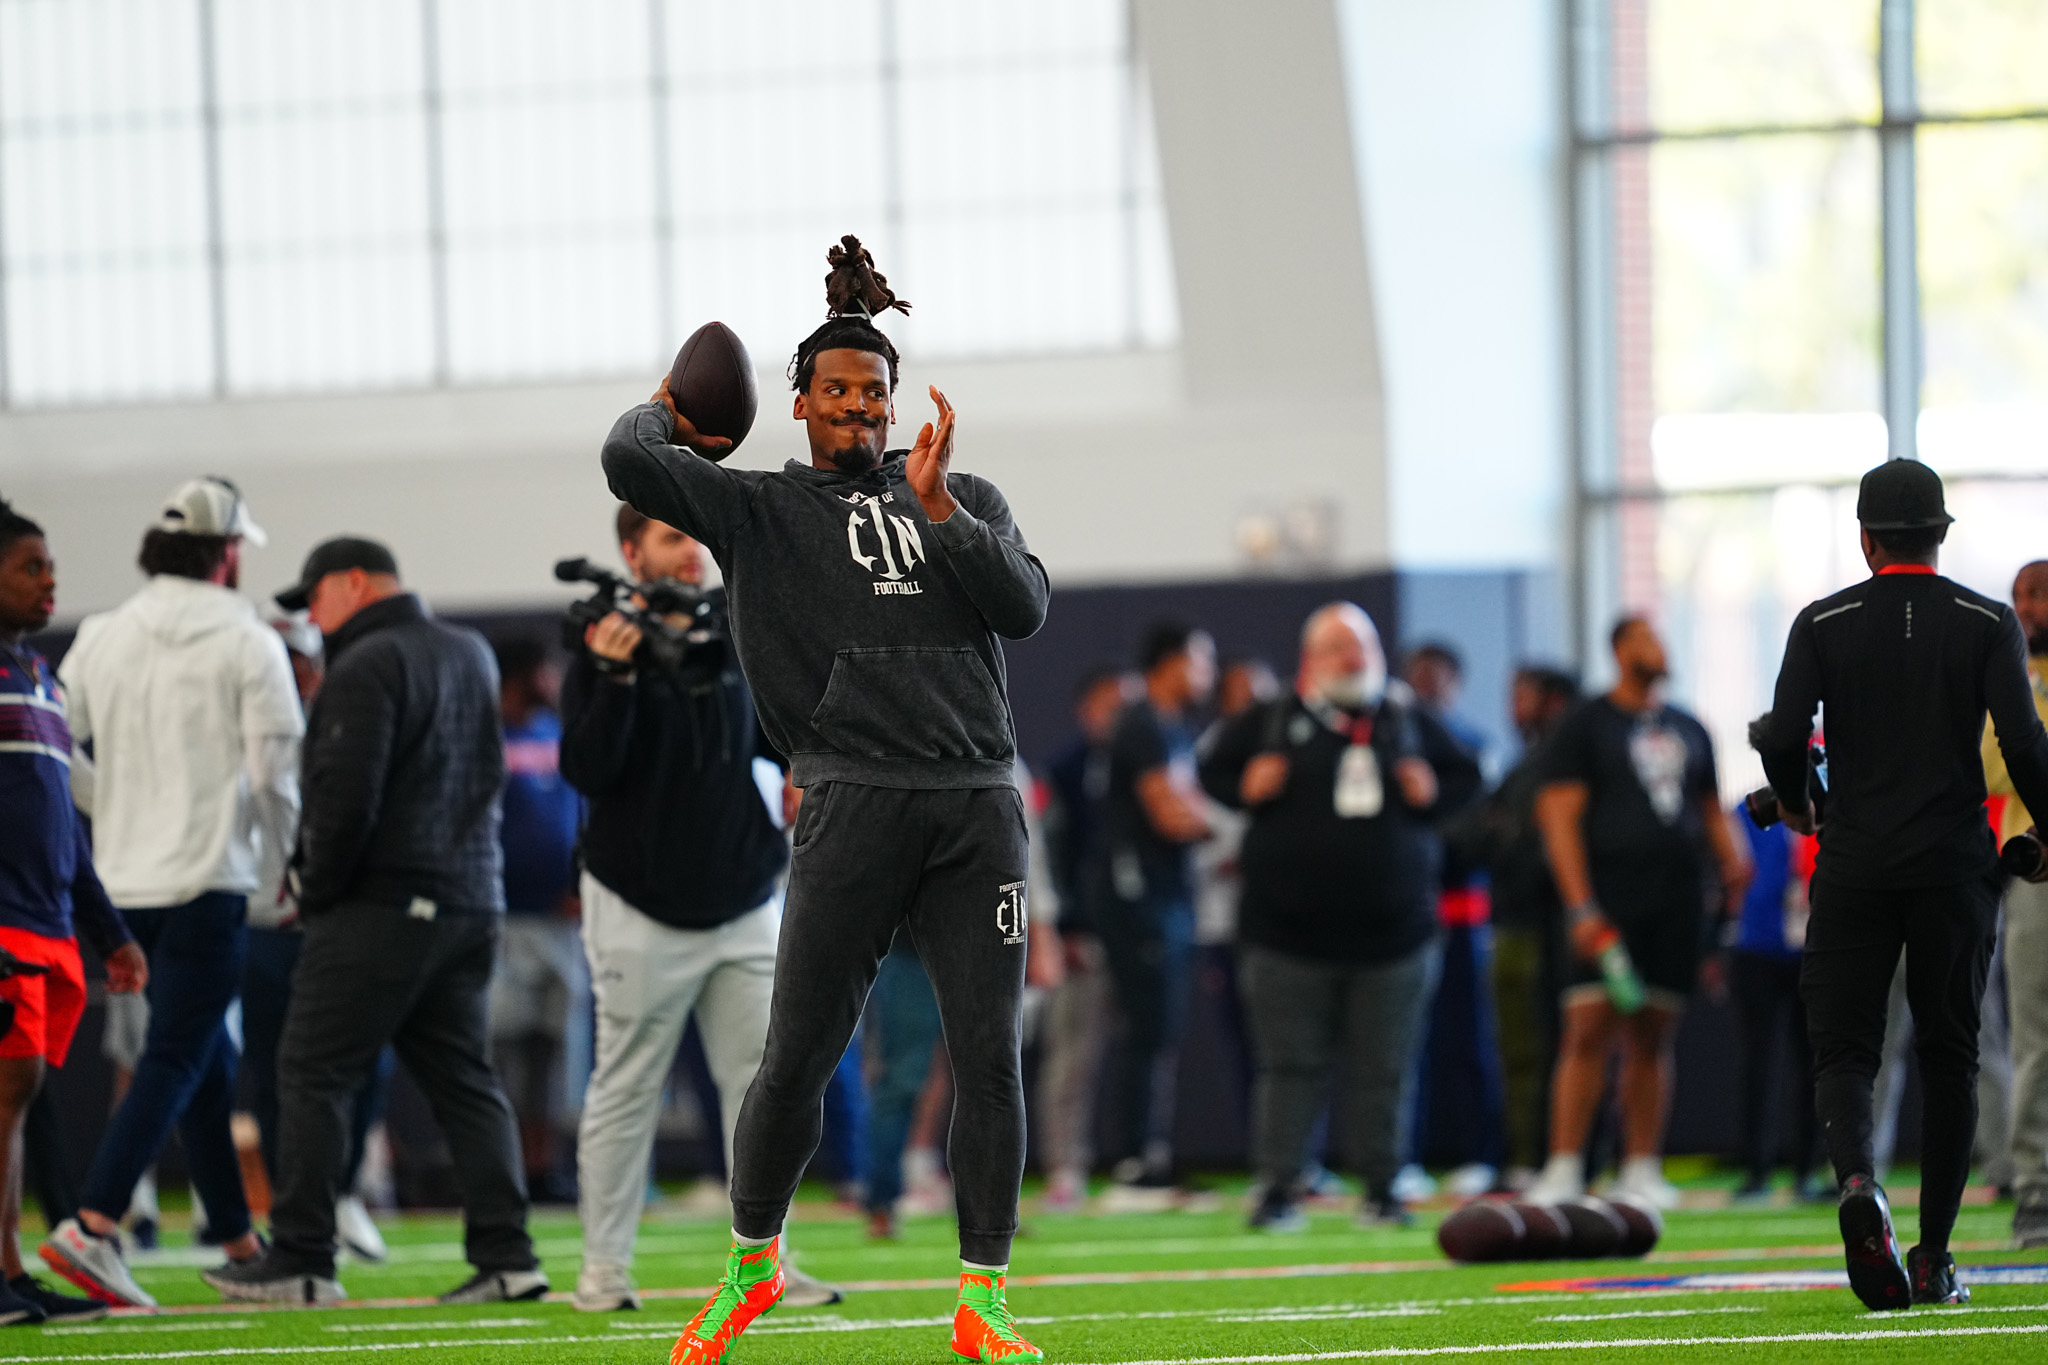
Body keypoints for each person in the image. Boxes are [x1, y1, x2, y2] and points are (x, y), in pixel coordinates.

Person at [601, 237, 1051, 1364]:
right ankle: (755, 1262)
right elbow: (624, 457)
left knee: (987, 1057)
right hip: (852, 800)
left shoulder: (962, 492)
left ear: (897, 404)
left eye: (875, 393)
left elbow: (1026, 608)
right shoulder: (753, 510)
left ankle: (981, 1299)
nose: (858, 407)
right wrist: (676, 403)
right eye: (837, 391)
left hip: (975, 805)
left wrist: (940, 505)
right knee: (796, 1055)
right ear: (798, 402)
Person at [205, 537, 545, 1305]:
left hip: (383, 903)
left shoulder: (364, 664)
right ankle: (508, 1255)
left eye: (315, 598)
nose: (312, 617)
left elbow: (345, 798)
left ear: (352, 583)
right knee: (465, 1078)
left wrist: (315, 889)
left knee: (312, 1069)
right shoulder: (469, 652)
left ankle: (300, 1255)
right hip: (469, 901)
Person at [1753, 461, 2048, 1309]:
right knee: (1952, 1052)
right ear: (1941, 535)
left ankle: (1857, 1184)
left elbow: (1783, 733)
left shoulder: (1823, 621)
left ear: (1865, 537)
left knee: (1846, 1048)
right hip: (1956, 865)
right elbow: (2024, 747)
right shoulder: (1989, 622)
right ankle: (1934, 1255)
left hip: (1853, 863)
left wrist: (1803, 803)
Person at [560, 505, 836, 1313]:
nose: (689, 553)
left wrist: (799, 767)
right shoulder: (603, 633)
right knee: (627, 1085)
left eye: (693, 537)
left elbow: (777, 737)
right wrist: (614, 680)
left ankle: (767, 1266)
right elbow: (586, 766)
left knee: (765, 1087)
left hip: (745, 893)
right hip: (638, 899)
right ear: (630, 550)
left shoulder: (736, 623)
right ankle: (603, 1269)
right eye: (670, 538)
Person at [41, 478, 301, 1307]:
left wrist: (108, 797)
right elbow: (275, 777)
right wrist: (286, 866)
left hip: (124, 884)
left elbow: (52, 735)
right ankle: (92, 1220)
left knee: (203, 1054)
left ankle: (233, 1231)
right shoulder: (248, 637)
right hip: (207, 878)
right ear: (225, 552)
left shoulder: (103, 633)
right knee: (182, 1049)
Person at [1201, 603, 1441, 1230]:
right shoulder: (1273, 717)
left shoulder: (1406, 717)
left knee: (1385, 1071)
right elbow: (1210, 769)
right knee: (1288, 1068)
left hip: (1393, 938)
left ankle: (1384, 1190)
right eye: (1339, 647)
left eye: (1362, 645)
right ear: (1311, 660)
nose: (1354, 659)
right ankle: (1280, 1189)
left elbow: (1474, 774)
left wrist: (1434, 791)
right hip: (1288, 937)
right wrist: (1244, 787)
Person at [1527, 616, 1749, 1210]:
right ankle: (1566, 1165)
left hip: (1674, 902)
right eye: (1649, 638)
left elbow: (1708, 808)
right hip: (1608, 901)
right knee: (1588, 1030)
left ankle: (1642, 1166)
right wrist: (1580, 906)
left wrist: (1734, 861)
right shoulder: (1585, 724)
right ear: (1621, 650)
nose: (1661, 648)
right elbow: (1558, 818)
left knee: (1654, 1033)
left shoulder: (1688, 725)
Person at [0, 496, 146, 1324]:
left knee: (16, 1094)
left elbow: (62, 821)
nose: (49, 581)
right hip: (7, 919)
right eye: (29, 567)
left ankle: (10, 1269)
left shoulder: (43, 676)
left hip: (50, 920)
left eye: (51, 565)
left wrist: (110, 930)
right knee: (8, 1089)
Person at [237, 610, 392, 1264]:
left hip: (336, 918)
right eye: (285, 662)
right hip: (264, 921)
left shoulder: (344, 720)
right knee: (277, 1073)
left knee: (367, 1064)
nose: (298, 674)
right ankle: (294, 1204)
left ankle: (344, 1191)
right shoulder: (237, 732)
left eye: (302, 661)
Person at [1095, 621, 1215, 1205]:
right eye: (1200, 659)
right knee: (1147, 1029)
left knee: (1160, 1030)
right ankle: (1135, 1163)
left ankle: (1152, 1154)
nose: (1207, 673)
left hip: (1168, 897)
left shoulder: (1175, 726)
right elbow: (1172, 815)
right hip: (1139, 900)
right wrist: (1240, 827)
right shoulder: (1141, 722)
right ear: (1170, 662)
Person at [1461, 664, 1579, 1189]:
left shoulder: (1557, 762)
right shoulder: (1522, 764)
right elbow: (1473, 834)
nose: (1512, 707)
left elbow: (1521, 844)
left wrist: (1508, 839)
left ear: (1552, 701)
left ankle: (1544, 1158)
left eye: (1523, 696)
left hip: (1549, 925)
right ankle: (1533, 1157)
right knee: (1522, 1050)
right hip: (1519, 921)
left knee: (1541, 1049)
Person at [1402, 641, 1504, 1198]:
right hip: (1405, 914)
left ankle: (1479, 1154)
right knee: (1403, 1044)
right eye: (1420, 676)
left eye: (1440, 676)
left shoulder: (1472, 750)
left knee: (1468, 1038)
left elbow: (1478, 829)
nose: (1430, 686)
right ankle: (1404, 1157)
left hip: (1462, 913)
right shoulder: (1390, 741)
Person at [489, 636, 586, 1205]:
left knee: (553, 1051)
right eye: (543, 673)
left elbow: (583, 813)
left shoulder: (558, 736)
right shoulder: (490, 738)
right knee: (504, 1048)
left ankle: (545, 1163)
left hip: (562, 922)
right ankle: (507, 1169)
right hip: (506, 921)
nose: (552, 683)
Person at [1036, 666, 1130, 1211]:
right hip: (1084, 936)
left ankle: (1138, 1163)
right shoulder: (1067, 768)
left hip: (1133, 931)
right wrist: (1065, 927)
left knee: (1139, 1053)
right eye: (1109, 704)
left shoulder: (1149, 759)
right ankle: (1065, 1167)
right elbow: (1051, 853)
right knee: (1072, 1058)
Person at [1725, 803, 1825, 1202]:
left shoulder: (1837, 804)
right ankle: (1756, 1168)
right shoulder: (1753, 811)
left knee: (1816, 1065)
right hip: (1759, 947)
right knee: (1758, 1063)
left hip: (1815, 947)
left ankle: (1808, 1169)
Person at [1993, 559, 2048, 1247]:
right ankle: (2036, 1189)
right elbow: (1995, 764)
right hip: (2032, 873)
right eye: (2017, 598)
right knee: (2034, 1037)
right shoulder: (2009, 677)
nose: (2024, 608)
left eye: (2036, 595)